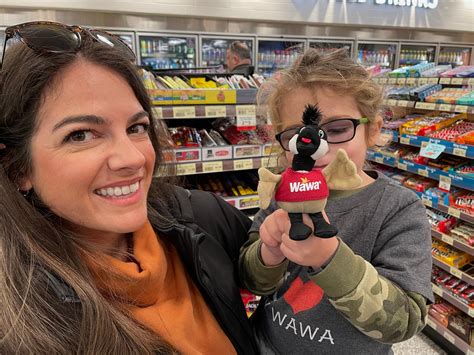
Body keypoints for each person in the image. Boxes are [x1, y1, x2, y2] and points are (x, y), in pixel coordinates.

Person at [0, 21, 258, 354]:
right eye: (80, 135)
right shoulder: (19, 324)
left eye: (136, 127)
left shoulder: (203, 217)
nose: (133, 157)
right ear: (17, 167)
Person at [238, 48, 433, 353]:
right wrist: (267, 254)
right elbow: (251, 282)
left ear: (373, 130)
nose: (318, 148)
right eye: (297, 135)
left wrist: (329, 258)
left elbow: (404, 321)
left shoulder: (398, 209)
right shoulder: (282, 195)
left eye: (339, 129)